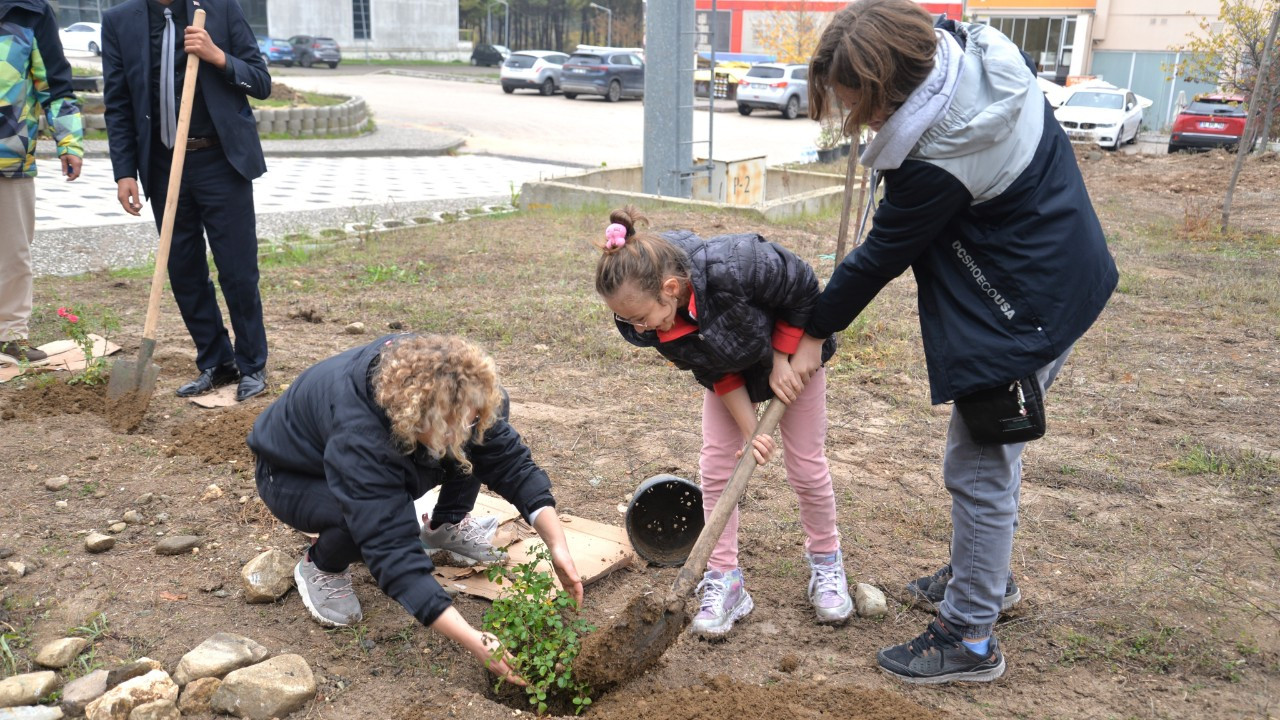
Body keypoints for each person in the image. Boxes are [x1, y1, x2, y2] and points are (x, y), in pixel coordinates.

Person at [793, 0, 1118, 684]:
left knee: (979, 461)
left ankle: (970, 636)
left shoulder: (939, 160)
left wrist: (811, 333)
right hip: (1056, 264)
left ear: (893, 88)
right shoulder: (972, 54)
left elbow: (878, 257)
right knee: (988, 455)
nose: (859, 120)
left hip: (1026, 302)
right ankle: (987, 582)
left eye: (860, 104)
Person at [247, 333, 584, 683]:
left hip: (385, 447)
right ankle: (320, 566)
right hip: (292, 472)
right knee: (357, 524)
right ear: (413, 418)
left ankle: (444, 524)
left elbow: (508, 462)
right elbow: (392, 549)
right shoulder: (362, 439)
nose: (465, 429)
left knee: (471, 444)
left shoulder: (459, 389)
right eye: (450, 426)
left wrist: (557, 545)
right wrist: (475, 640)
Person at [594, 206, 851, 637]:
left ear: (670, 289)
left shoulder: (736, 263)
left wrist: (785, 358)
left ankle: (827, 562)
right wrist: (751, 430)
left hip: (797, 355)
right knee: (715, 467)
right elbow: (715, 371)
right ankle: (725, 579)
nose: (637, 328)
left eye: (639, 316)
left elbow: (803, 288)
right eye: (627, 320)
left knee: (806, 467)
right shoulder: (653, 328)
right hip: (735, 373)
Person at [101, 0, 270, 401]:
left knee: (237, 269)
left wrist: (217, 56)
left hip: (220, 160)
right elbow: (118, 103)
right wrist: (125, 170)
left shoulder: (219, 10)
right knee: (183, 269)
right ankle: (216, 361)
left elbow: (261, 82)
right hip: (161, 165)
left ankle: (251, 365)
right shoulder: (119, 21)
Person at [0, 0, 83, 366]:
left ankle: (8, 337)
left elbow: (57, 85)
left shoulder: (29, 12)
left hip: (9, 155)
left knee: (13, 254)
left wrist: (70, 142)